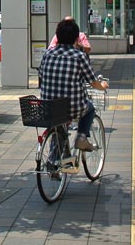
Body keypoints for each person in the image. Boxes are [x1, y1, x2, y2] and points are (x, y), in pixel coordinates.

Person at [39, 18, 109, 151]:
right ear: (76, 39)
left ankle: (56, 160)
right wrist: (103, 86)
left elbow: (42, 75)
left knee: (58, 123)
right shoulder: (79, 56)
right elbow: (93, 82)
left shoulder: (47, 54)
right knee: (90, 108)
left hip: (49, 106)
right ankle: (81, 138)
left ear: (57, 37)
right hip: (72, 107)